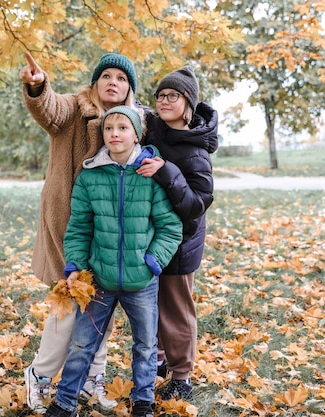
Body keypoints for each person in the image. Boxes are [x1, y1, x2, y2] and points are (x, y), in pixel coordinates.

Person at [19, 51, 140, 413]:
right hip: (69, 222)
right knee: (70, 302)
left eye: (121, 78)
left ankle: (91, 379)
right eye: (107, 76)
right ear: (95, 82)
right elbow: (48, 109)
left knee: (101, 305)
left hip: (109, 231)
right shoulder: (73, 108)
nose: (113, 83)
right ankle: (39, 376)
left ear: (129, 87)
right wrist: (38, 86)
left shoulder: (131, 120)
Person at [43, 106, 183, 417]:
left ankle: (143, 402)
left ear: (136, 134)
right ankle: (65, 403)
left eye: (122, 128)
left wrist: (152, 261)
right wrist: (75, 266)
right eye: (109, 129)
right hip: (100, 280)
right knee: (81, 345)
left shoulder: (150, 173)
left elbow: (171, 227)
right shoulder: (90, 176)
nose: (115, 134)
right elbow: (79, 227)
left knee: (146, 346)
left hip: (142, 281)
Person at [136, 65, 219, 401]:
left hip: (181, 242)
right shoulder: (153, 128)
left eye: (172, 95)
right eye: (160, 96)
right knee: (151, 305)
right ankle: (158, 361)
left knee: (176, 309)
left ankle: (182, 374)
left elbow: (197, 203)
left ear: (188, 103)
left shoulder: (197, 152)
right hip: (151, 237)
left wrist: (165, 171)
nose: (163, 101)